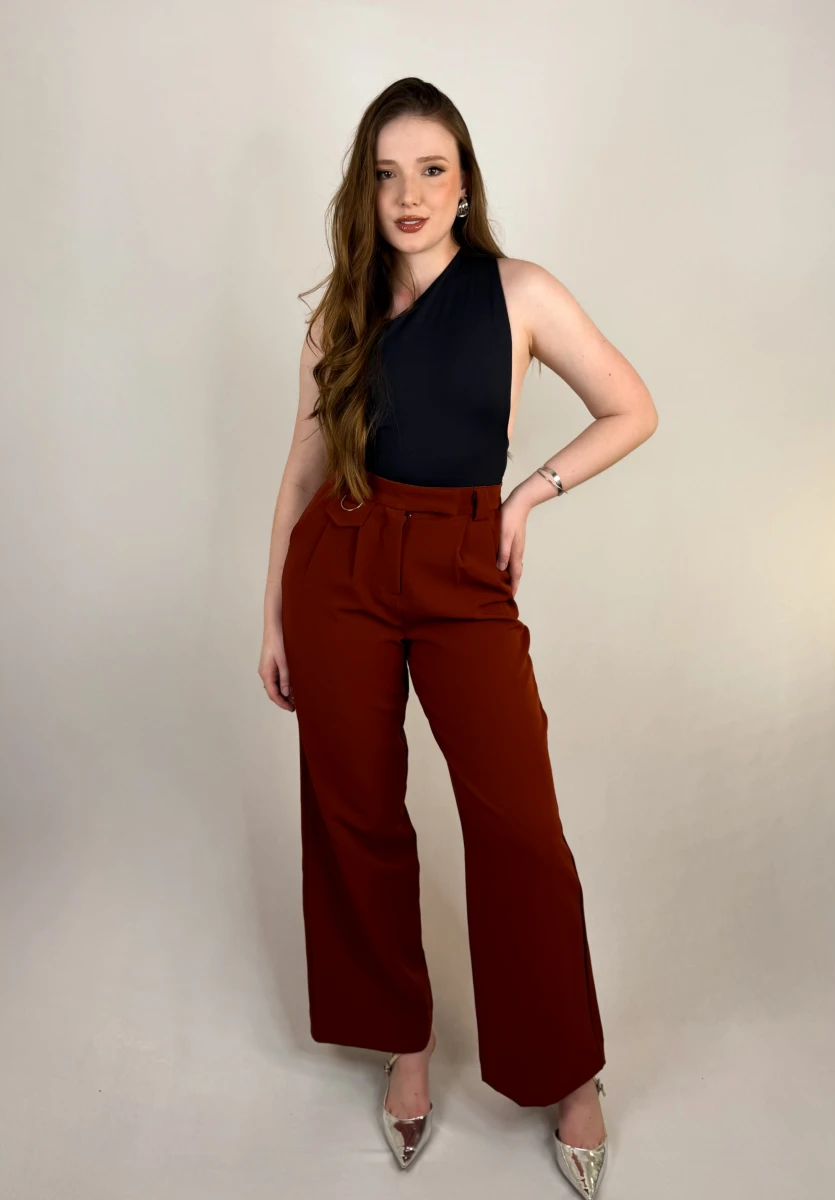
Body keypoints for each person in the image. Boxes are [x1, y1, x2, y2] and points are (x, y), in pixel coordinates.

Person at [258, 77, 657, 1197]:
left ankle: (567, 1068)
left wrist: (528, 494)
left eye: (432, 170)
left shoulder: (519, 292)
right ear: (365, 189)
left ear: (465, 181)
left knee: (519, 823)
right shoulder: (340, 314)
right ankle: (405, 1043)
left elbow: (632, 406)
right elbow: (300, 470)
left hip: (462, 566)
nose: (410, 194)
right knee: (356, 811)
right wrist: (271, 614)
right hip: (340, 565)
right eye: (388, 174)